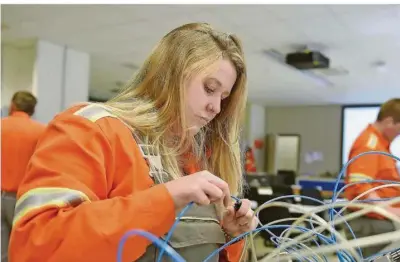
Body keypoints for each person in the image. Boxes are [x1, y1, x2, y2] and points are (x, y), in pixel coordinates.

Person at [9, 23, 258, 262]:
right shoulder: (93, 128)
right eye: (209, 88)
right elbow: (38, 246)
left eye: (223, 98)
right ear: (171, 75)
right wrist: (166, 199)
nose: (215, 107)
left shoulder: (196, 158)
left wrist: (229, 235)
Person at [343, 98, 400, 257]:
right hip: (369, 224)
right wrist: (390, 210)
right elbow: (360, 186)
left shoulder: (380, 144)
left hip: (375, 222)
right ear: (389, 121)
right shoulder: (370, 144)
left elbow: (374, 179)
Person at [1, 91, 45, 262]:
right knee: (23, 250)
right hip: (23, 201)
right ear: (32, 110)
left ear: (12, 105)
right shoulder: (41, 132)